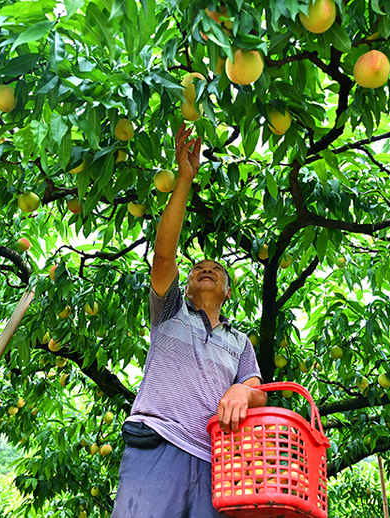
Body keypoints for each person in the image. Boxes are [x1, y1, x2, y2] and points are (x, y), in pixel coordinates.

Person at [110, 124, 267, 518]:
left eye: (216, 269)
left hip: (217, 459)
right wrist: (184, 178)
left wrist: (242, 394)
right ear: (188, 283)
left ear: (228, 291)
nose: (206, 270)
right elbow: (163, 257)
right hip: (158, 442)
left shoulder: (239, 342)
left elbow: (258, 391)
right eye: (198, 268)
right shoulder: (170, 312)